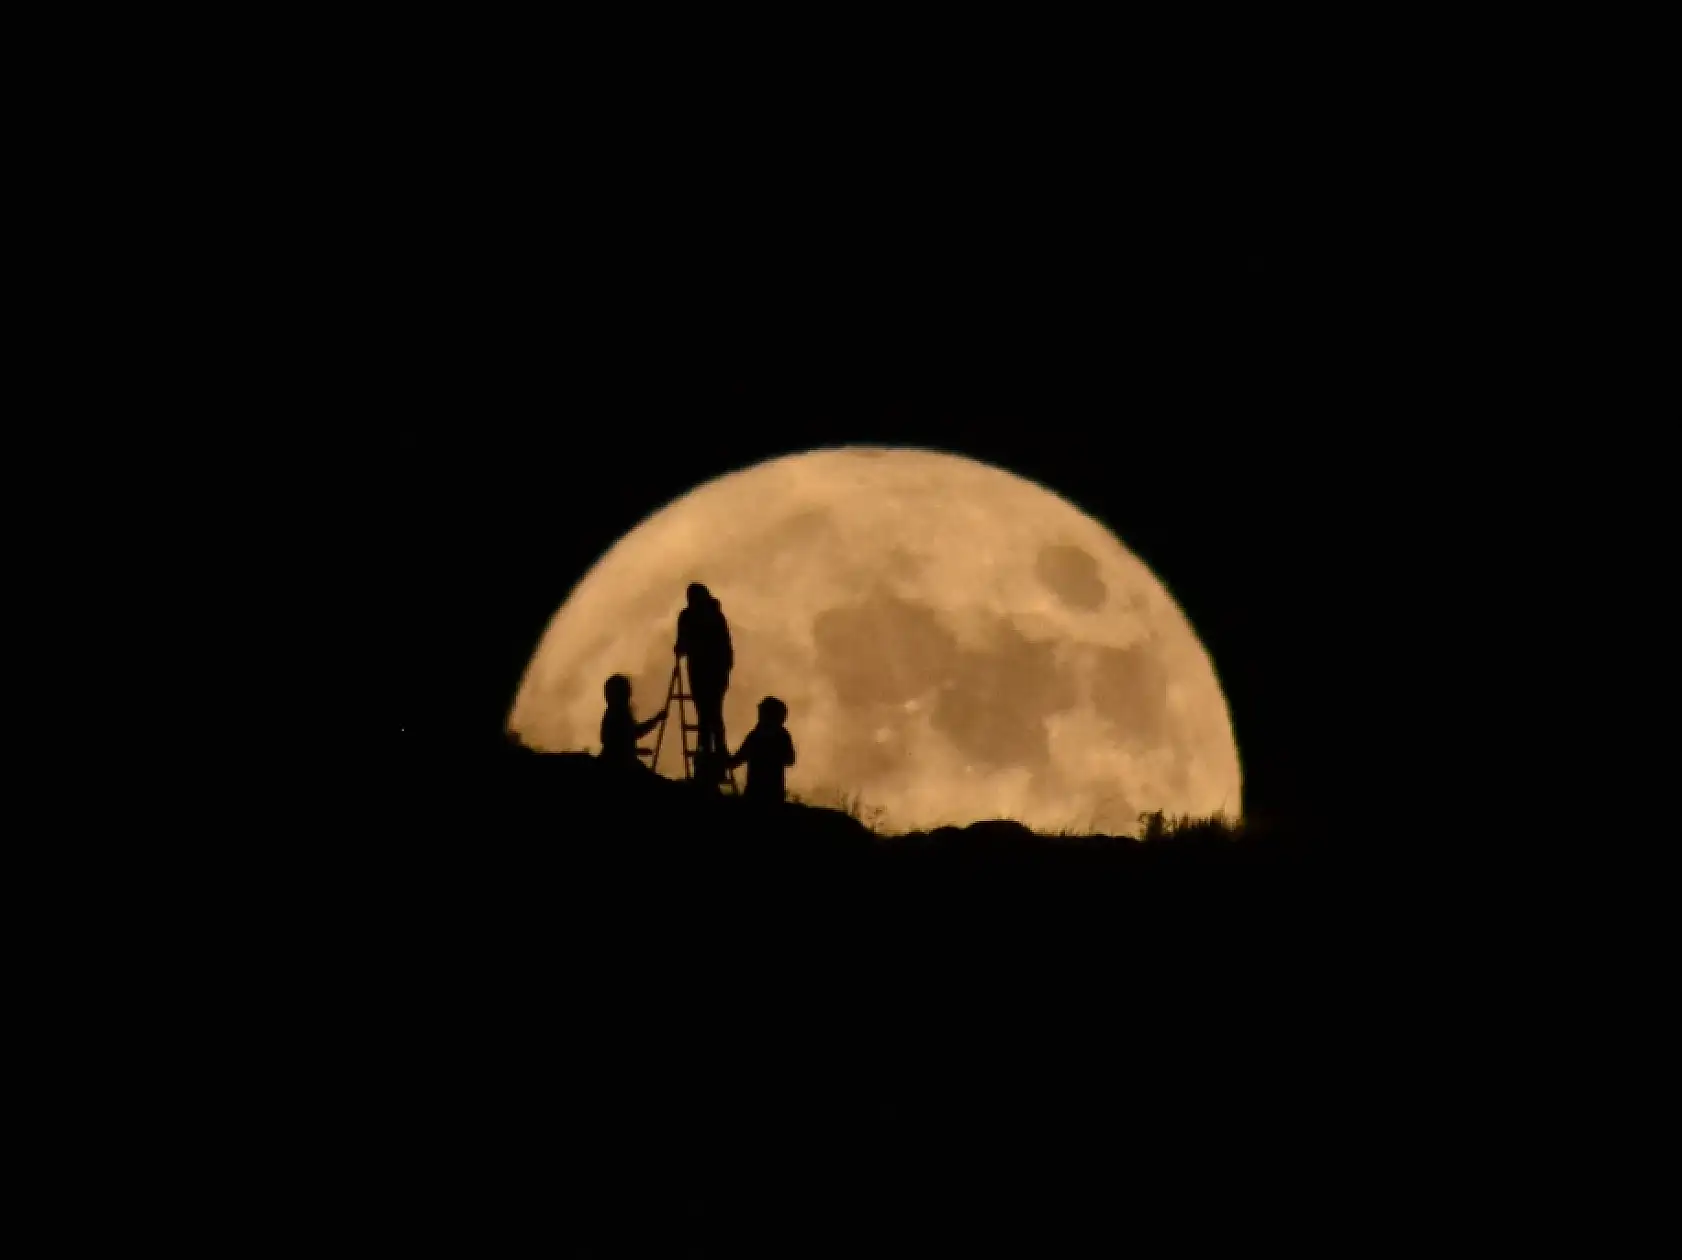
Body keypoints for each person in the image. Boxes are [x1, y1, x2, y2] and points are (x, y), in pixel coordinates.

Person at [674, 582, 733, 780]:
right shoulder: (714, 616)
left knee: (708, 716)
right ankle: (714, 761)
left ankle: (707, 761)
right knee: (711, 715)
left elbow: (682, 643)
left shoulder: (695, 616)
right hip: (711, 672)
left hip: (707, 671)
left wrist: (681, 648)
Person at [729, 696, 796, 803]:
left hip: (757, 793)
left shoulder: (757, 735)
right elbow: (790, 760)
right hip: (772, 794)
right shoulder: (782, 736)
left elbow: (738, 759)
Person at [598, 674, 664, 772]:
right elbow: (633, 733)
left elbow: (617, 742)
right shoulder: (618, 714)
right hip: (619, 766)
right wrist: (656, 719)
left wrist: (635, 751)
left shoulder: (613, 713)